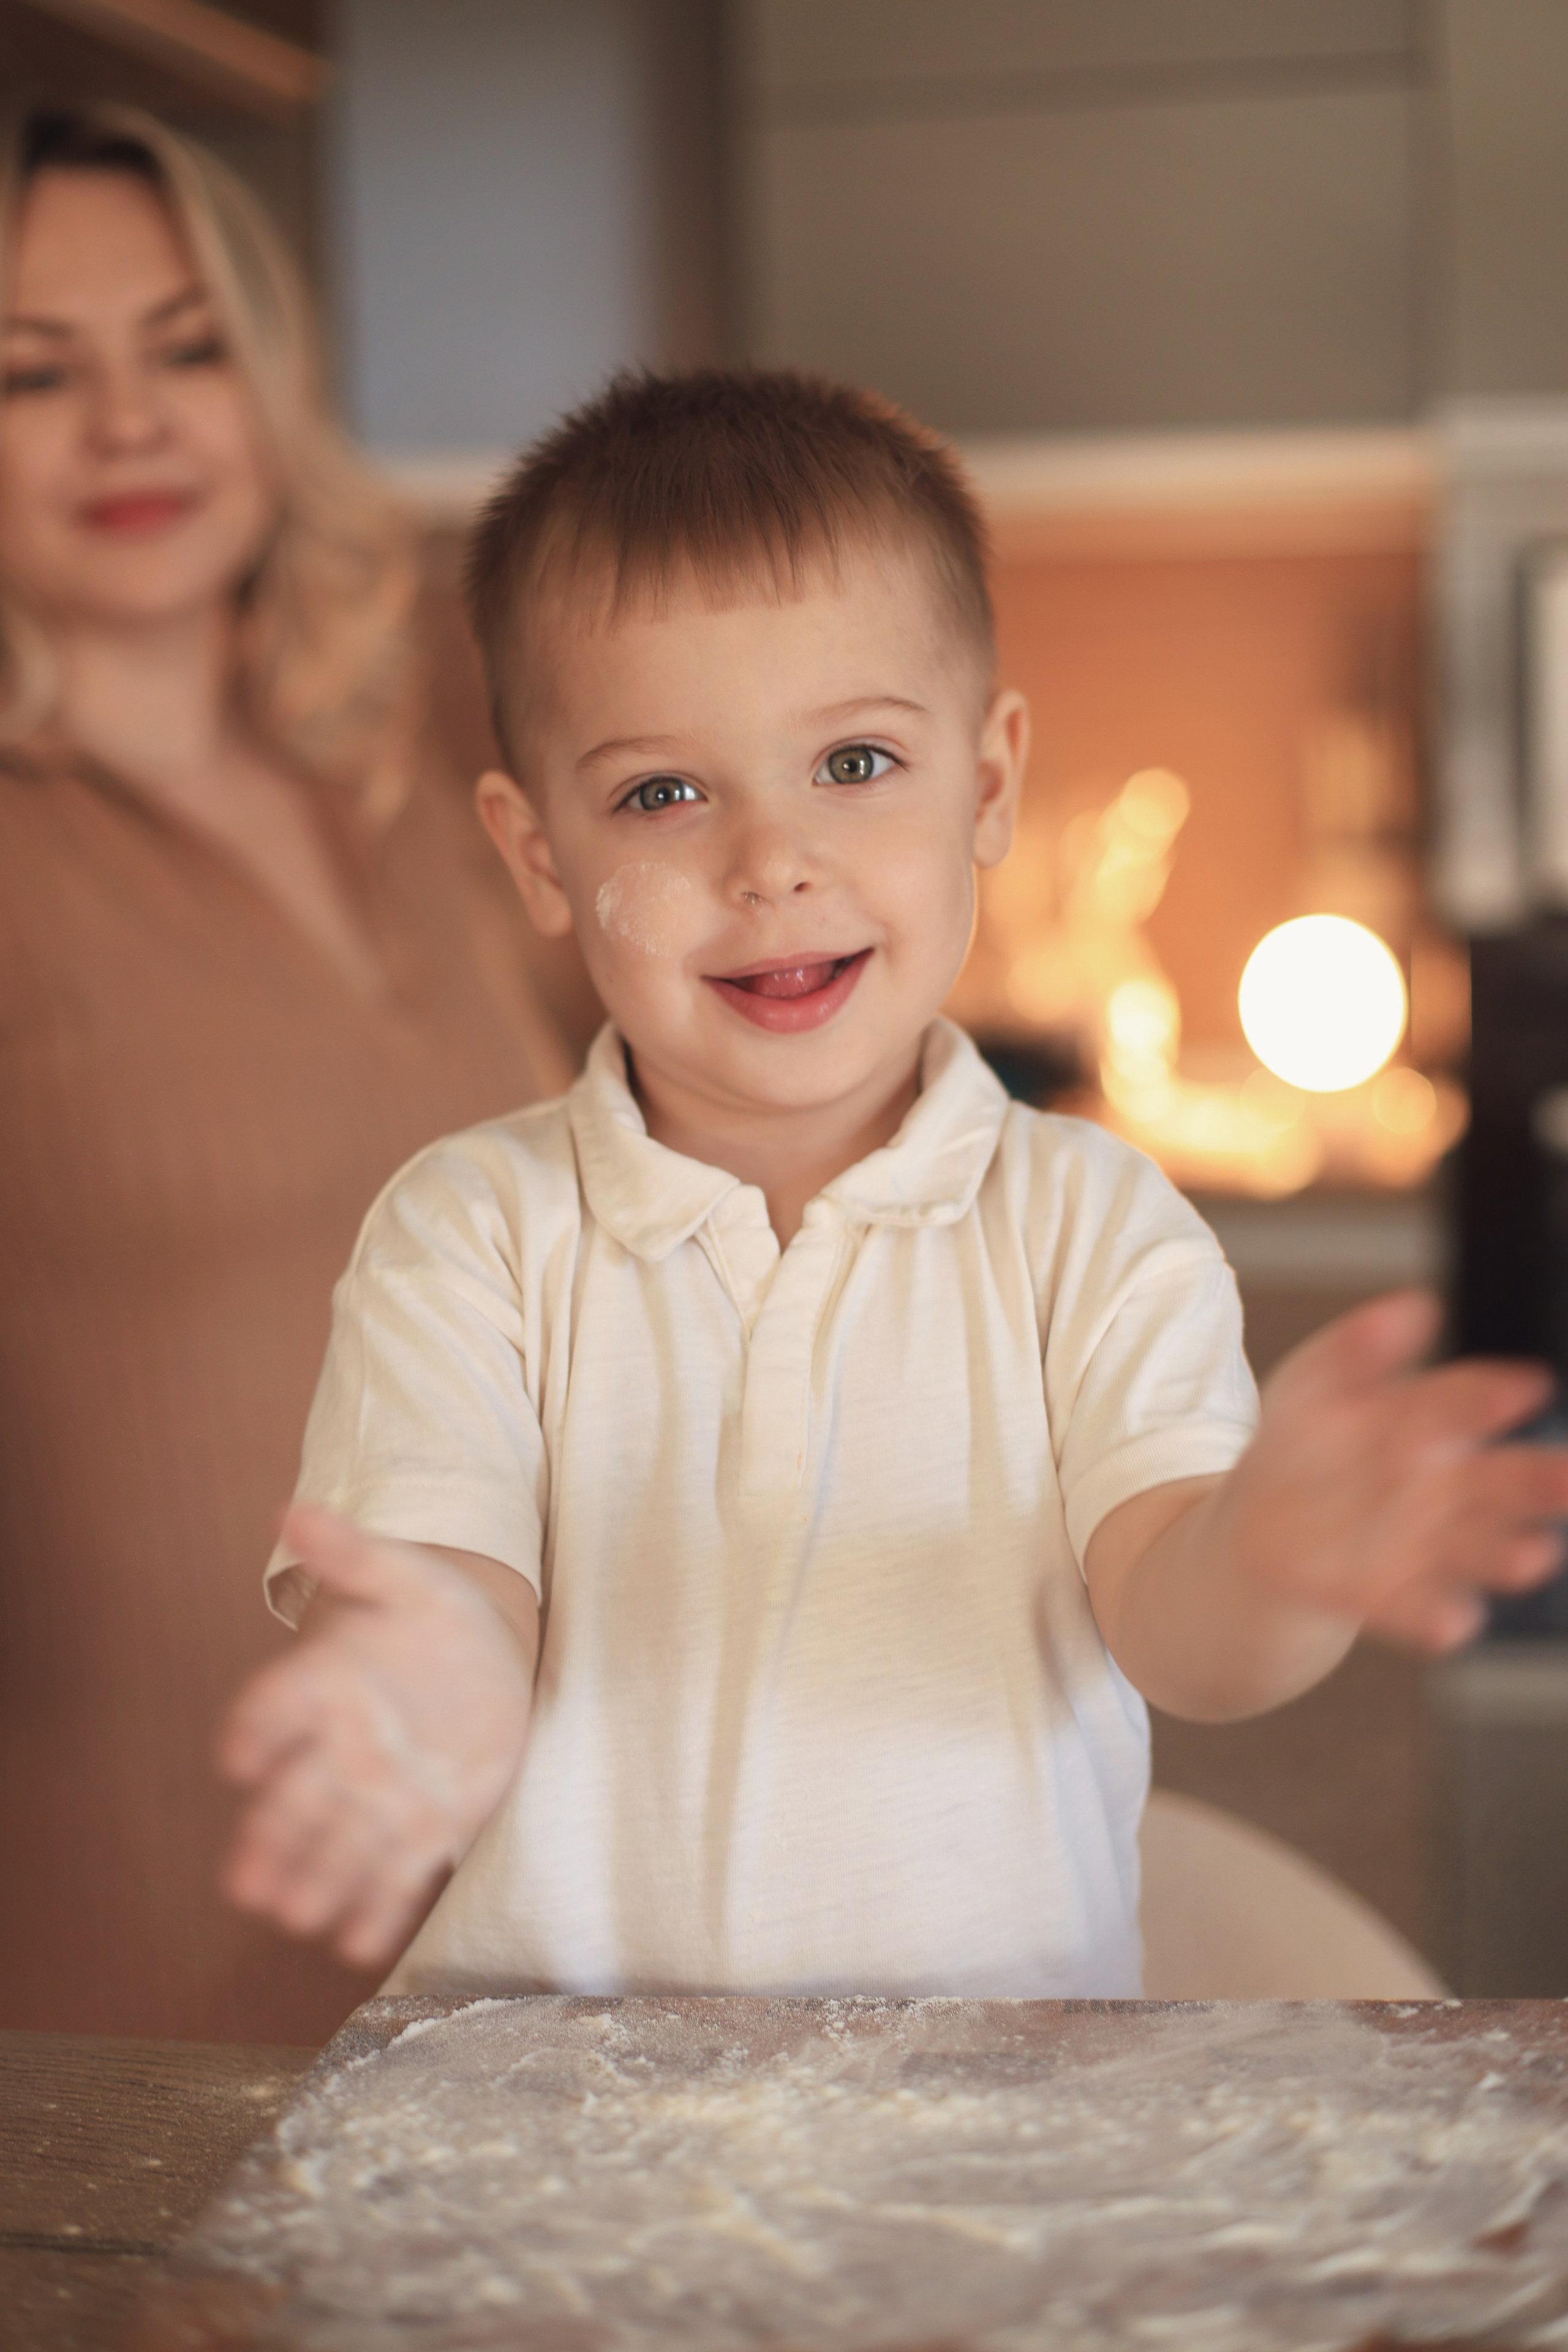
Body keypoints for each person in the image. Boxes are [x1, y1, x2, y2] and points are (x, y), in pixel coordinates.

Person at [221, 370, 1568, 1997]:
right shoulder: (471, 1234)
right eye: (663, 792)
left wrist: (1276, 1562)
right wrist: (418, 1676)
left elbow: (1183, 1626)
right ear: (538, 859)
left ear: (988, 787)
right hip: (560, 2154)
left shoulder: (1094, 1228)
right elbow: (453, 1597)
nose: (772, 861)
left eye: (854, 762)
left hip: (986, 2155)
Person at [0, 102, 576, 2042]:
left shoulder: (430, 741)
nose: (131, 426)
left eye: (188, 347)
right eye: (33, 373)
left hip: (533, 1848)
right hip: (137, 1888)